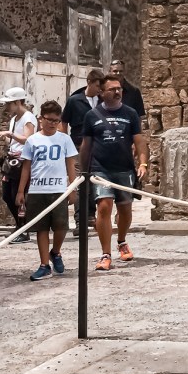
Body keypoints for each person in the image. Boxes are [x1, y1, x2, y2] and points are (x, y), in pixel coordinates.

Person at [81, 76, 147, 271]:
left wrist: (142, 163)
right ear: (102, 93)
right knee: (104, 206)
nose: (117, 92)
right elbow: (86, 145)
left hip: (124, 168)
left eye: (119, 89)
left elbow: (139, 141)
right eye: (112, 89)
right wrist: (83, 171)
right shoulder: (92, 115)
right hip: (101, 169)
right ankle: (105, 253)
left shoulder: (130, 114)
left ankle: (121, 240)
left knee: (125, 209)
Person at [16, 101, 79, 282]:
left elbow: (70, 165)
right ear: (41, 118)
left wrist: (72, 187)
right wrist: (21, 191)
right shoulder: (32, 140)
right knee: (41, 228)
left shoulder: (64, 139)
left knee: (61, 226)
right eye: (49, 119)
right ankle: (44, 265)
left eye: (56, 120)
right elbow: (26, 167)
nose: (52, 123)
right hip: (37, 189)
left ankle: (55, 252)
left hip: (59, 189)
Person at [0, 88, 37, 244]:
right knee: (8, 195)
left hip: (22, 162)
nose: (6, 107)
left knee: (18, 196)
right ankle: (20, 225)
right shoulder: (15, 119)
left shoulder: (28, 118)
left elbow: (28, 139)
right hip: (12, 160)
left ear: (17, 102)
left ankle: (24, 228)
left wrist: (9, 134)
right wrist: (4, 137)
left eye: (9, 103)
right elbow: (15, 142)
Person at [62, 69, 104, 149]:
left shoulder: (103, 101)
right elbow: (64, 122)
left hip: (98, 145)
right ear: (89, 82)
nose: (99, 90)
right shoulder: (74, 100)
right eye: (97, 86)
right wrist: (66, 142)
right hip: (77, 145)